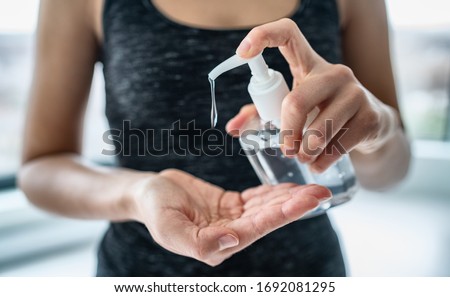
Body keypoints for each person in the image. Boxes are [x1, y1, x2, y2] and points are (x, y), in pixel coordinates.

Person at [19, 0, 410, 276]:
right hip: (141, 274)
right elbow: (40, 169)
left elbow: (391, 172)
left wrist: (379, 130)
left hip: (307, 272)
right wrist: (139, 193)